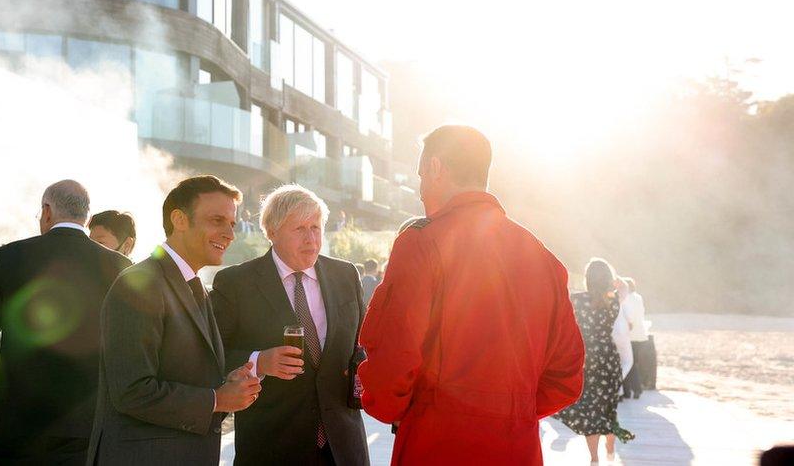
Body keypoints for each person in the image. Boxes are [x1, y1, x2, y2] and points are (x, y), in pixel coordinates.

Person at [359, 125, 585, 465]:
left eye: (421, 175)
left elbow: (394, 353)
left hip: (435, 443)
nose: (420, 190)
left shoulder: (421, 243)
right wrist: (510, 409)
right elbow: (567, 375)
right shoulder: (543, 258)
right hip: (516, 447)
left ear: (436, 168)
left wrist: (393, 407)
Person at [88, 175, 261, 465]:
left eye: (231, 224)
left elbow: (181, 371)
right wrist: (217, 399)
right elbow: (131, 391)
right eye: (217, 220)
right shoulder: (140, 283)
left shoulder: (193, 285)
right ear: (179, 220)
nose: (230, 234)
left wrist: (225, 382)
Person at [0, 180, 132, 465]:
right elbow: (124, 346)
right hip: (85, 424)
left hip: (12, 421)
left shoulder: (9, 256)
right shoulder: (118, 266)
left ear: (46, 211)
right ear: (87, 219)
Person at [211, 184, 369, 466]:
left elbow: (364, 343)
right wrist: (259, 362)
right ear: (271, 232)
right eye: (300, 229)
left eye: (316, 227)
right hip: (272, 449)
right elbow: (211, 356)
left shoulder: (345, 275)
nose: (311, 239)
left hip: (343, 449)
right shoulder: (236, 284)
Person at [555, 259, 635, 463]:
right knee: (608, 405)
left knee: (591, 409)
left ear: (587, 279)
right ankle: (610, 448)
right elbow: (625, 286)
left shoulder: (577, 300)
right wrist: (612, 279)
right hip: (608, 358)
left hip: (587, 358)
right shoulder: (614, 299)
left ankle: (594, 459)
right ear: (608, 279)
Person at [623, 277, 647, 398]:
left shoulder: (627, 299)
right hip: (640, 335)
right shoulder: (638, 297)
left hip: (629, 335)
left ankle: (632, 390)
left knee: (627, 363)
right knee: (633, 363)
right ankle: (632, 390)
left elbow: (629, 318)